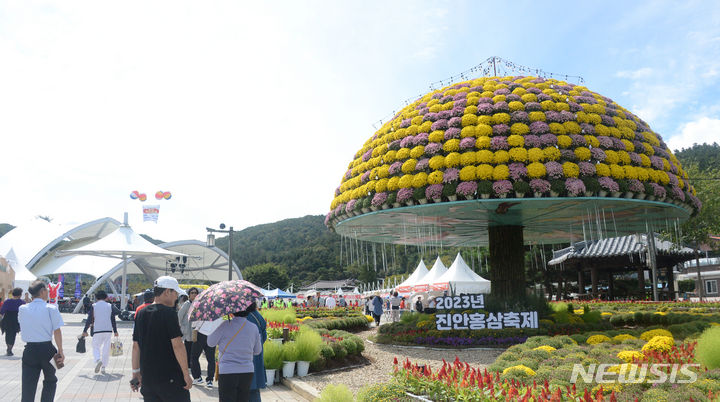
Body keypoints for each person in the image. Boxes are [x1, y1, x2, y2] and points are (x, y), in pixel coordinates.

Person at [131, 276, 192, 401]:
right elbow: (177, 345)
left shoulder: (141, 313)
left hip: (148, 378)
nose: (176, 297)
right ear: (167, 292)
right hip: (170, 378)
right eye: (175, 293)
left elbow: (136, 346)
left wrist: (135, 373)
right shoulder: (169, 314)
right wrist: (186, 374)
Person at [18, 280, 64, 402]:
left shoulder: (22, 308)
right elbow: (57, 331)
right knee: (50, 380)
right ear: (42, 292)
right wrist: (60, 351)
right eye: (47, 291)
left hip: (29, 350)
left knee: (28, 383)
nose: (48, 293)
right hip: (48, 350)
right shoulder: (51, 308)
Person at [207, 303, 262, 402]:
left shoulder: (224, 325)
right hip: (247, 371)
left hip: (227, 371)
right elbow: (257, 351)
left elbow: (210, 343)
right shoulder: (253, 327)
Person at [81, 290, 120, 374]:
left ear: (96, 297)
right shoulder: (110, 306)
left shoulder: (94, 306)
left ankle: (98, 359)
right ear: (105, 297)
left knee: (95, 346)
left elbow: (89, 319)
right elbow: (113, 319)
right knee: (106, 349)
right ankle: (103, 367)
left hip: (97, 330)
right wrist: (115, 331)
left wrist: (85, 330)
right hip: (108, 330)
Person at [245, 303, 267, 402]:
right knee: (254, 390)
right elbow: (264, 335)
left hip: (245, 357)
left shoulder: (244, 317)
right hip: (257, 355)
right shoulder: (257, 315)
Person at [190, 312, 217, 388]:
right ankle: (210, 380)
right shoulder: (217, 311)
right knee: (211, 359)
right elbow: (225, 319)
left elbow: (194, 324)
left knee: (194, 356)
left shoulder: (200, 309)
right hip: (212, 334)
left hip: (200, 334)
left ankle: (197, 377)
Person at [177, 287, 199, 368]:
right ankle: (187, 364)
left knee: (194, 348)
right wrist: (181, 326)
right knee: (188, 347)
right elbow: (179, 316)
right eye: (192, 293)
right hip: (187, 329)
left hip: (195, 330)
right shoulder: (186, 304)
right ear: (189, 295)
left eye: (195, 293)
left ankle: (192, 363)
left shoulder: (198, 304)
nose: (194, 294)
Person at [1, 287, 25, 356]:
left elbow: (2, 311)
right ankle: (10, 349)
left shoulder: (7, 301)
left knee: (7, 334)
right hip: (16, 320)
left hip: (7, 319)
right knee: (13, 334)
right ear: (20, 294)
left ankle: (8, 348)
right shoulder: (22, 302)